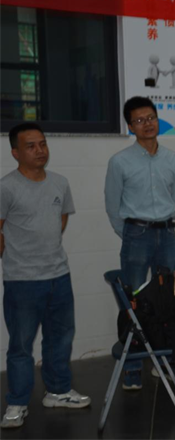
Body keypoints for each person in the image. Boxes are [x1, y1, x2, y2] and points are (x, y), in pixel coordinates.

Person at [0, 123, 91, 429]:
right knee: (21, 345)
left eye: (42, 144)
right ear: (15, 152)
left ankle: (58, 390)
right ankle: (17, 403)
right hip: (22, 281)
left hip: (59, 276)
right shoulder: (6, 187)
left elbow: (60, 221)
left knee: (60, 338)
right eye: (31, 146)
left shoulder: (59, 183)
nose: (39, 150)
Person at [105, 96, 175, 389]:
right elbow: (112, 205)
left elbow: (172, 196)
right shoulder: (119, 161)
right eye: (139, 120)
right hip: (136, 234)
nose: (146, 124)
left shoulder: (173, 159)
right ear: (130, 126)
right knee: (133, 301)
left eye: (150, 118)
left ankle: (164, 360)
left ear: (157, 120)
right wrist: (129, 232)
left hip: (167, 233)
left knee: (167, 300)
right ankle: (133, 366)